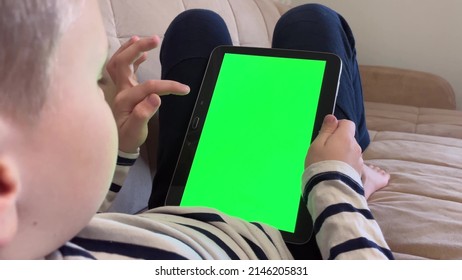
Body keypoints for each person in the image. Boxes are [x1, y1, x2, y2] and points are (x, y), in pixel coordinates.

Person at [0, 0, 392, 260]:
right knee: (312, 21)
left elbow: (52, 215)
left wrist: (119, 149)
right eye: (94, 80)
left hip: (180, 201)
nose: (105, 92)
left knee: (195, 24)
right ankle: (352, 170)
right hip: (293, 237)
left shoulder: (29, 243)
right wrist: (334, 182)